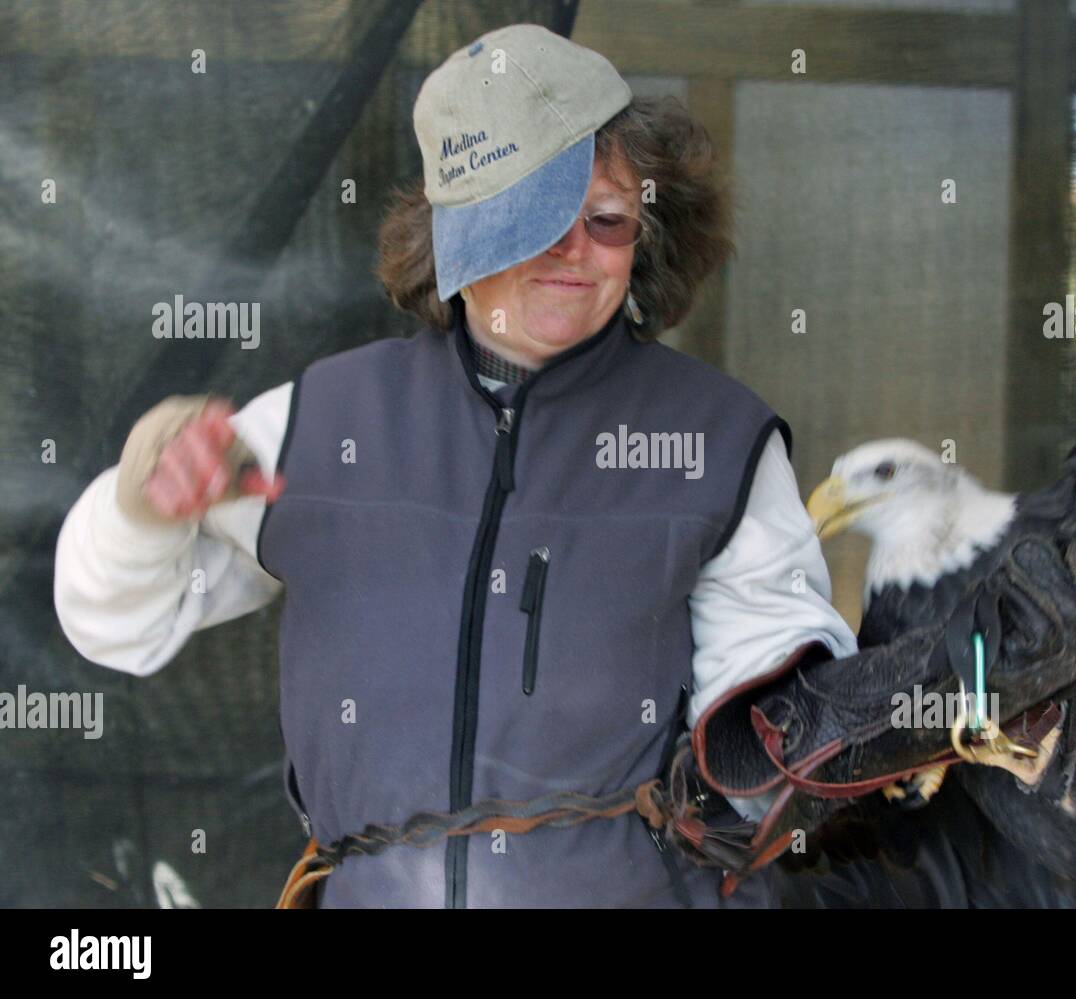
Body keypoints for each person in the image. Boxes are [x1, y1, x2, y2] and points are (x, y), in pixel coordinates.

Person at [53, 23, 860, 908]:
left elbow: (769, 735)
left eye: (607, 219)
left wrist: (832, 732)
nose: (574, 252)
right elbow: (117, 625)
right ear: (453, 237)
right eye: (537, 219)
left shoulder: (719, 441)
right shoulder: (319, 422)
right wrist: (141, 507)